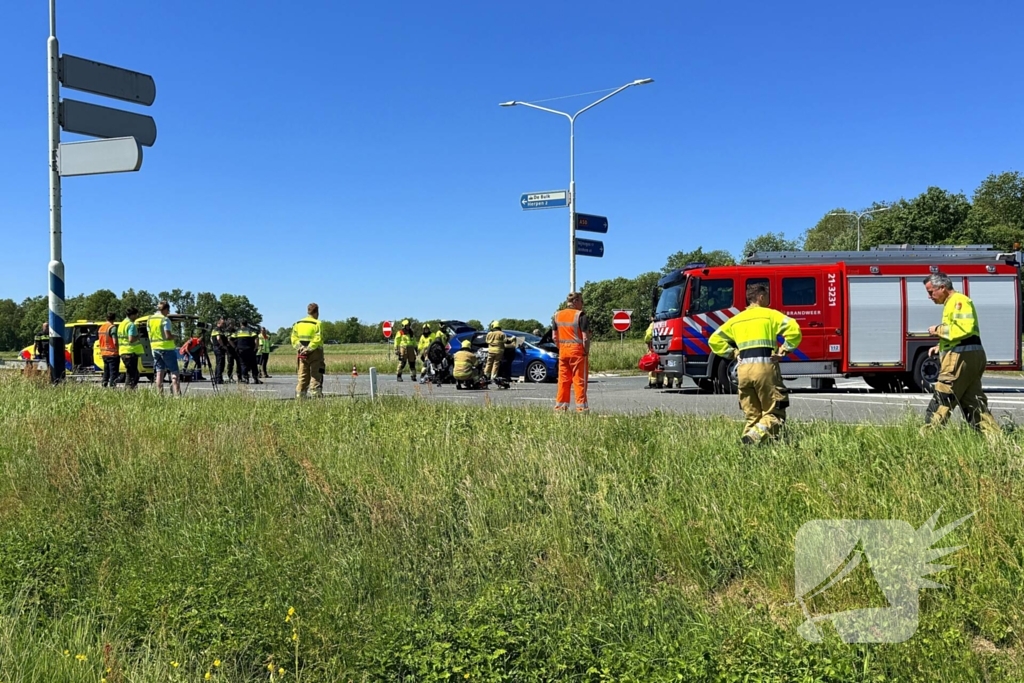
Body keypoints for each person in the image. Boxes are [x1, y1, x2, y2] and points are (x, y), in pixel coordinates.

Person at [708, 282, 802, 445]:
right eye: (767, 297)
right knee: (774, 413)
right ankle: (754, 438)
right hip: (764, 369)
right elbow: (794, 329)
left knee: (753, 416)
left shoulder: (736, 320)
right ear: (761, 296)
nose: (769, 300)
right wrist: (784, 350)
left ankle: (747, 451)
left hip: (743, 371)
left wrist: (733, 353)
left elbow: (714, 340)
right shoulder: (770, 315)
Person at [921, 273, 1000, 436]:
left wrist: (937, 330)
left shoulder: (958, 301)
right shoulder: (953, 302)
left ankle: (925, 440)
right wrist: (941, 345)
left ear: (942, 287)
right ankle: (996, 442)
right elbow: (961, 334)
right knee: (974, 403)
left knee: (943, 397)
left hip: (960, 358)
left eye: (931, 292)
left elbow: (964, 329)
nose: (929, 296)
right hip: (968, 355)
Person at [552, 292, 590, 412]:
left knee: (563, 380)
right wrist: (586, 350)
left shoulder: (557, 315)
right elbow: (585, 337)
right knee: (579, 381)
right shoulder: (580, 315)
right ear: (576, 301)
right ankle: (581, 409)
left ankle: (560, 407)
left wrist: (560, 347)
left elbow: (554, 337)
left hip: (563, 352)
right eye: (581, 301)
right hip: (577, 352)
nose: (582, 304)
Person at [148, 301, 182, 397]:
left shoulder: (150, 319)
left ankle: (160, 395)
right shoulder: (165, 320)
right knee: (174, 372)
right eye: (168, 310)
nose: (168, 313)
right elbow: (168, 336)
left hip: (155, 348)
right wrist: (175, 336)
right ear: (165, 309)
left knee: (159, 372)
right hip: (167, 348)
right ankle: (177, 395)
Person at [291, 303, 324, 399]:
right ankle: (316, 396)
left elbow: (293, 338)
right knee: (316, 374)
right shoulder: (317, 323)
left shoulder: (298, 323)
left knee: (302, 375)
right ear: (317, 312)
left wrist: (300, 348)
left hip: (301, 353)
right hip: (315, 352)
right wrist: (309, 348)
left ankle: (300, 396)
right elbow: (317, 338)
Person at [117, 307, 143, 390]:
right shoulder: (131, 325)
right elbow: (131, 339)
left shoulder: (121, 324)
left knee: (132, 373)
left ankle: (129, 389)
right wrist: (138, 337)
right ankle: (130, 390)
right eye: (136, 315)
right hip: (130, 352)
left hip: (123, 352)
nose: (136, 317)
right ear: (132, 315)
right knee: (133, 374)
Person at [97, 311, 120, 387]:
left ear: (106, 318)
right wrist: (117, 350)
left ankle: (104, 385)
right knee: (113, 372)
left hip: (104, 353)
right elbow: (115, 341)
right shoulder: (112, 328)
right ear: (114, 318)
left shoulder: (101, 328)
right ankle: (113, 387)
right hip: (112, 354)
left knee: (106, 371)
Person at [484, 321, 508, 385]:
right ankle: (493, 377)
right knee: (496, 364)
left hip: (491, 351)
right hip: (499, 351)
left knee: (488, 363)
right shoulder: (502, 334)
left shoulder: (489, 334)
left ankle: (486, 376)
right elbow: (505, 341)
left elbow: (486, 341)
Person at [644, 317, 664, 389]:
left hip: (653, 347)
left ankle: (653, 383)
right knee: (660, 364)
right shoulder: (664, 324)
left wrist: (646, 341)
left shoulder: (652, 325)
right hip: (662, 347)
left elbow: (648, 335)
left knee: (652, 364)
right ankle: (660, 383)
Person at [211, 319, 229, 384]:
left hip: (216, 348)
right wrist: (223, 346)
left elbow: (212, 340)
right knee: (220, 364)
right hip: (219, 348)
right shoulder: (217, 329)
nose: (224, 325)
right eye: (223, 323)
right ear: (219, 323)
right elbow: (218, 338)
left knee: (219, 363)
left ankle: (217, 378)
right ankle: (218, 379)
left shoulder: (215, 330)